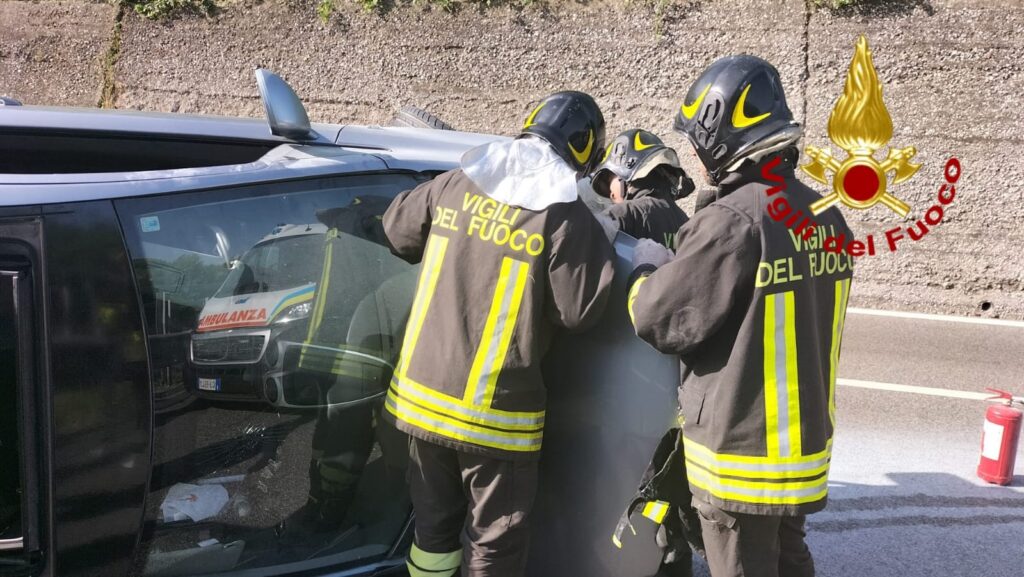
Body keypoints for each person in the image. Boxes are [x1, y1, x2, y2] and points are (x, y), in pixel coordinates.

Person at [626, 55, 855, 577]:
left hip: (742, 459)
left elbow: (661, 319)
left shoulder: (732, 220)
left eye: (695, 142)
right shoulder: (826, 216)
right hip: (801, 448)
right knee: (789, 559)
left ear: (718, 139)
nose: (693, 155)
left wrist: (643, 272)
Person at [381, 91, 615, 577]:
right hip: (493, 420)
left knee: (432, 535)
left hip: (421, 401)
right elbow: (581, 311)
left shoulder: (457, 182)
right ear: (584, 151)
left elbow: (397, 229)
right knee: (494, 544)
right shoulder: (564, 216)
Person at [591, 129, 694, 248]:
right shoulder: (687, 223)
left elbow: (578, 244)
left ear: (625, 171)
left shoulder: (626, 214)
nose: (611, 195)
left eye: (609, 182)